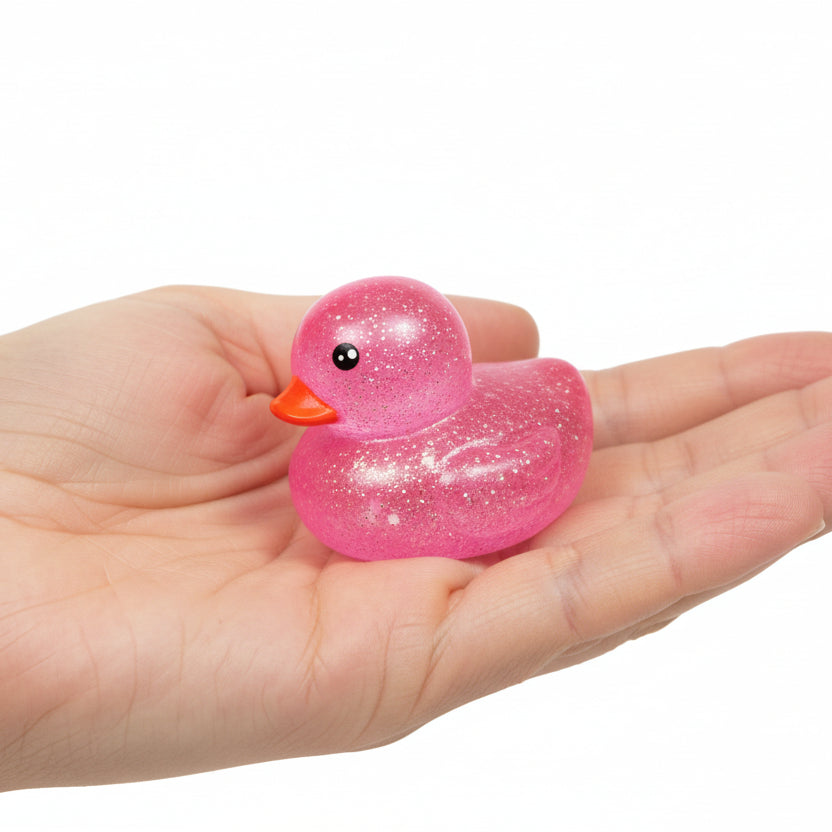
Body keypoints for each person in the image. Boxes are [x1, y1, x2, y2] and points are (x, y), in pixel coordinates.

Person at [0, 285, 829, 791]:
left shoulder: (482, 451)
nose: (299, 397)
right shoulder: (329, 461)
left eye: (340, 365)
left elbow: (538, 426)